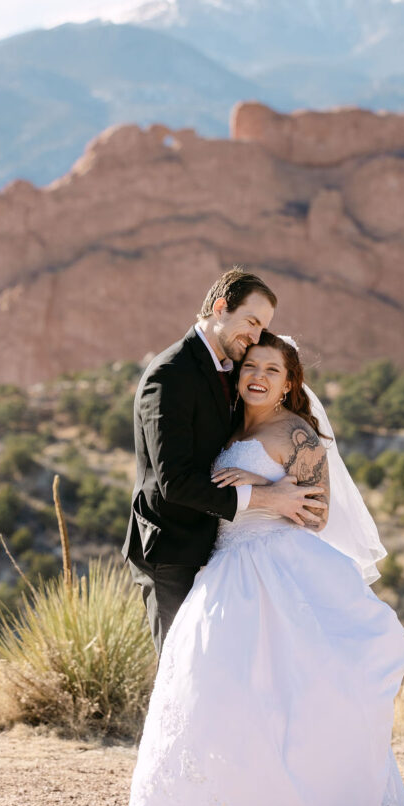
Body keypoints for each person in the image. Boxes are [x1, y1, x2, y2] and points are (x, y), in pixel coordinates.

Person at [122, 331, 404, 806]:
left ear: (290, 383)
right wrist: (243, 494)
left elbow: (315, 514)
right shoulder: (226, 428)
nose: (258, 376)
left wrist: (257, 497)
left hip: (278, 572)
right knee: (216, 694)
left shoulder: (299, 435)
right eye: (251, 367)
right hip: (222, 573)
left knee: (299, 703)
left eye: (271, 369)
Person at [121, 269, 325, 656]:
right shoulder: (170, 376)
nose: (256, 336)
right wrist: (267, 498)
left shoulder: (232, 370)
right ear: (219, 309)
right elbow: (175, 483)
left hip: (220, 552)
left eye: (263, 327)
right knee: (181, 667)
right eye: (251, 322)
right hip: (171, 549)